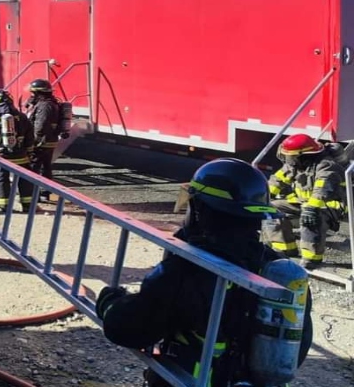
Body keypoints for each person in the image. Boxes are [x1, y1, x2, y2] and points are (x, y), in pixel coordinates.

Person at [96, 158, 313, 387]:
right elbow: (298, 344)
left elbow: (129, 328)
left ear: (200, 209)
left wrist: (110, 302)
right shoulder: (278, 271)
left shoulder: (191, 269)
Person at [262, 133, 348, 268]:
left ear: (303, 155)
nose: (288, 159)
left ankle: (311, 259)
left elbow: (323, 191)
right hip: (305, 202)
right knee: (270, 208)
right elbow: (277, 180)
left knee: (310, 217)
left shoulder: (326, 166)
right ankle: (285, 249)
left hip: (329, 206)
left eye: (290, 156)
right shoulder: (296, 165)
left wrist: (310, 208)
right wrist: (262, 196)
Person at [0, 89, 35, 212]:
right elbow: (30, 137)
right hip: (21, 156)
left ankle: (3, 204)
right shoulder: (22, 117)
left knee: (1, 179)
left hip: (1, 157)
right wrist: (29, 152)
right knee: (25, 180)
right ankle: (28, 205)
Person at [24, 78, 65, 196]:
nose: (31, 95)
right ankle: (45, 192)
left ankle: (33, 192)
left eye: (33, 93)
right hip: (49, 140)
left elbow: (40, 125)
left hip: (41, 141)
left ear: (38, 93)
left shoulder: (45, 106)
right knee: (46, 167)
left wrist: (33, 141)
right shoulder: (50, 103)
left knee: (34, 166)